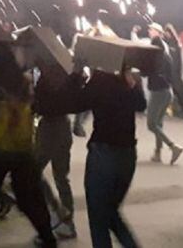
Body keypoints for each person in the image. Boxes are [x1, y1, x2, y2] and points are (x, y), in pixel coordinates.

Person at [44, 63, 147, 248]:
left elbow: (73, 103)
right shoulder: (127, 78)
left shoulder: (101, 79)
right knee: (109, 213)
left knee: (99, 218)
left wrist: (75, 76)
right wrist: (132, 82)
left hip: (104, 154)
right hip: (128, 155)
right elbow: (141, 104)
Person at [0, 45, 56, 248]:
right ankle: (47, 236)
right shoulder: (24, 82)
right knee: (29, 196)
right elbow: (32, 106)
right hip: (23, 148)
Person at [34, 67, 76, 241]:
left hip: (50, 128)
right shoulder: (67, 76)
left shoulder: (48, 77)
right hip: (63, 126)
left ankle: (58, 212)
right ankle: (66, 220)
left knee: (33, 172)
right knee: (61, 176)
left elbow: (40, 105)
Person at [146, 34, 183, 165]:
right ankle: (158, 153)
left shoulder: (155, 59)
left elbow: (147, 73)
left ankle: (173, 146)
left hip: (158, 92)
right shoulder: (166, 57)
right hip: (168, 91)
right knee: (158, 123)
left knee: (151, 124)